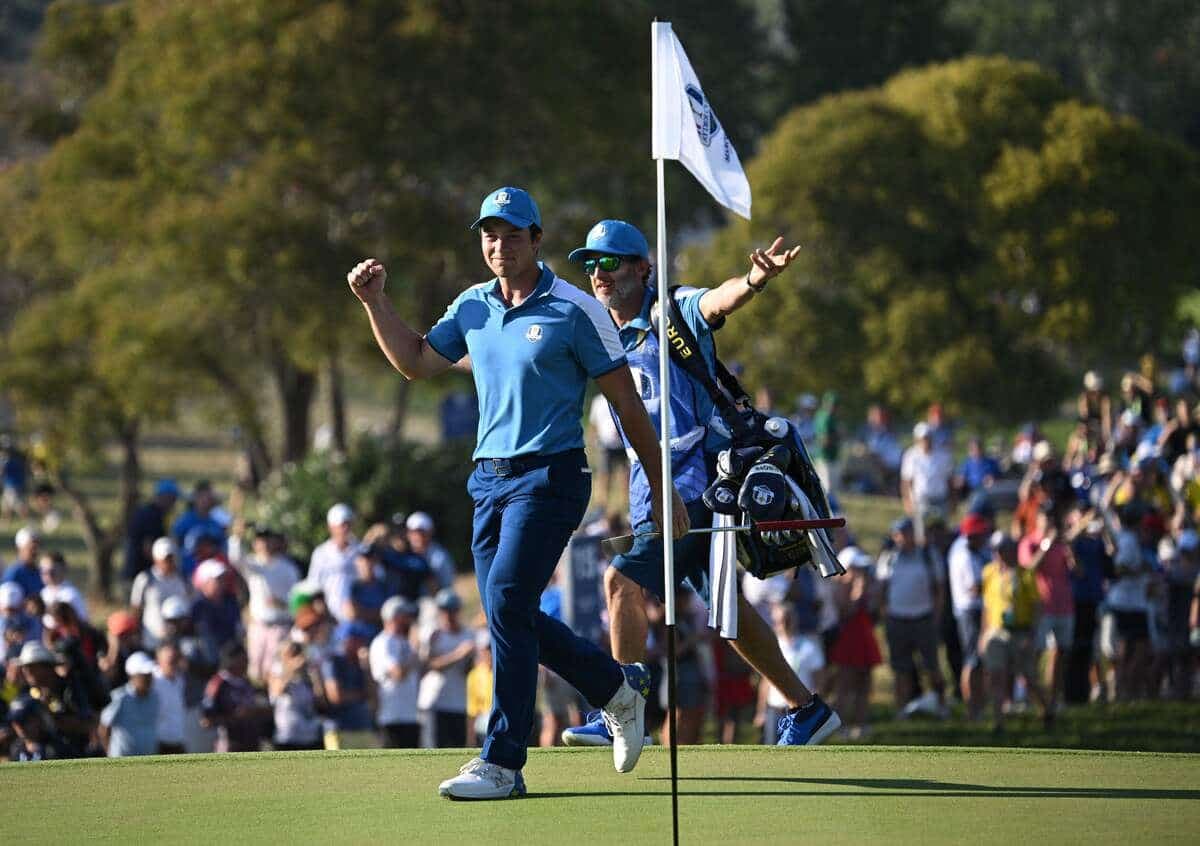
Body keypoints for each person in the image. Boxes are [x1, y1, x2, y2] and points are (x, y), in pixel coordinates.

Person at [348, 187, 687, 799]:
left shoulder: (575, 309)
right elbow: (416, 362)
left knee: (506, 600)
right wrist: (376, 303)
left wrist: (663, 487)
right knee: (511, 613)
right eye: (489, 235)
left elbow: (628, 408)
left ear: (536, 240)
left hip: (552, 476)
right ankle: (617, 689)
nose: (499, 246)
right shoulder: (472, 306)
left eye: (511, 235)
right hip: (488, 479)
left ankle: (503, 761)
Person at [558, 219, 840, 751]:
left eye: (610, 262)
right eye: (591, 264)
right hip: (651, 492)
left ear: (643, 268)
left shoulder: (671, 309)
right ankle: (807, 709)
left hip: (698, 488)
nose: (599, 273)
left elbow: (716, 301)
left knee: (620, 582)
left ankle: (622, 710)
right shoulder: (597, 332)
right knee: (726, 609)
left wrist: (752, 281)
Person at [876, 516, 948, 717]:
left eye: (907, 533)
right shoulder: (889, 558)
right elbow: (881, 589)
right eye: (899, 534)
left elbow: (939, 588)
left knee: (932, 666)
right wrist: (885, 616)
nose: (904, 538)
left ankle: (941, 706)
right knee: (901, 668)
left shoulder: (928, 555)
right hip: (897, 619)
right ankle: (902, 709)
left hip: (923, 617)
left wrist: (936, 615)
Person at [980, 532, 1052, 731]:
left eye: (1002, 550)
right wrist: (983, 634)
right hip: (996, 631)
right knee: (996, 675)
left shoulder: (1025, 574)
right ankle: (998, 721)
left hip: (1020, 632)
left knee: (1028, 677)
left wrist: (1031, 635)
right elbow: (986, 606)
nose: (999, 554)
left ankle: (1046, 710)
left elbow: (1037, 606)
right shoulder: (989, 572)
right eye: (996, 550)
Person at [229, 526, 299, 684]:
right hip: (258, 626)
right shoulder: (252, 565)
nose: (264, 544)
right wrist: (237, 536)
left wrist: (282, 604)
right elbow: (235, 558)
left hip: (281, 626)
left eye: (268, 539)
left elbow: (296, 601)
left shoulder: (288, 568)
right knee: (255, 670)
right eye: (260, 540)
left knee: (274, 670)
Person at [947, 512, 992, 719]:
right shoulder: (964, 554)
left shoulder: (969, 549)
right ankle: (972, 708)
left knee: (977, 659)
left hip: (971, 610)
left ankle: (978, 705)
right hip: (971, 611)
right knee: (973, 659)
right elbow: (974, 588)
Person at [417, 589, 473, 749]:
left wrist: (469, 658)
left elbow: (467, 671)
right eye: (444, 610)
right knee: (433, 748)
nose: (448, 614)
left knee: (457, 750)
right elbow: (429, 666)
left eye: (451, 610)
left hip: (458, 703)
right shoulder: (433, 634)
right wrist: (457, 655)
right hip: (435, 702)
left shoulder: (467, 635)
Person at [369, 596, 421, 748]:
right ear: (395, 617)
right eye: (405, 615)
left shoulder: (403, 641)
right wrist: (414, 651)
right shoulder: (383, 642)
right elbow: (398, 674)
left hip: (410, 715)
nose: (409, 619)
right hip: (392, 717)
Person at [130, 537, 191, 649]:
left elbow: (188, 605)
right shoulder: (145, 579)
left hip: (179, 643)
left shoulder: (183, 579)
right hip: (152, 641)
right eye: (166, 559)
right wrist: (137, 634)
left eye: (171, 558)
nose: (170, 562)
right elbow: (136, 608)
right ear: (156, 559)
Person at [99, 652, 160, 757]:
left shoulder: (155, 697)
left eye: (150, 675)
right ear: (133, 676)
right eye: (144, 675)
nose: (149, 678)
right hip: (122, 760)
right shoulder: (119, 697)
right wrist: (110, 758)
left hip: (149, 759)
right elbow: (103, 729)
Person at [268, 640, 325, 751]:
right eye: (292, 654)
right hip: (287, 735)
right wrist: (292, 668)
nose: (297, 657)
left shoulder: (306, 677)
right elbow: (277, 691)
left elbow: (320, 701)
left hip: (310, 735)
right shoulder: (277, 671)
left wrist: (315, 676)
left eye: (298, 653)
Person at [308, 503, 359, 623]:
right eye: (342, 525)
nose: (345, 529)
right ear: (331, 527)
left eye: (348, 524)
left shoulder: (362, 550)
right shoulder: (321, 553)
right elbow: (314, 586)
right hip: (329, 620)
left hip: (357, 618)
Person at [123, 479, 181, 582]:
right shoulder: (151, 516)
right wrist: (167, 567)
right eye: (174, 499)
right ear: (165, 497)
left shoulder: (153, 513)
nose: (174, 503)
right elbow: (147, 547)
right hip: (141, 576)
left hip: (143, 574)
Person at [404, 512, 455, 591]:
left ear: (430, 532)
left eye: (422, 532)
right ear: (408, 533)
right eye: (414, 532)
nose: (418, 536)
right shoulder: (401, 554)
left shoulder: (440, 557)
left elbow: (447, 586)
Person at [152, 641, 187, 754]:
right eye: (170, 660)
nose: (174, 663)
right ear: (158, 659)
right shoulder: (151, 681)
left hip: (178, 740)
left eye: (176, 659)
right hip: (157, 743)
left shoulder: (180, 680)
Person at [38, 551, 88, 622]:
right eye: (44, 572)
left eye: (52, 571)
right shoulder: (44, 593)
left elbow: (83, 622)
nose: (48, 575)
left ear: (63, 569)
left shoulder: (71, 595)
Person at [3, 526, 43, 599]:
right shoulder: (13, 573)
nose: (35, 552)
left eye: (37, 547)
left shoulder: (42, 572)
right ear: (20, 548)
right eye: (31, 548)